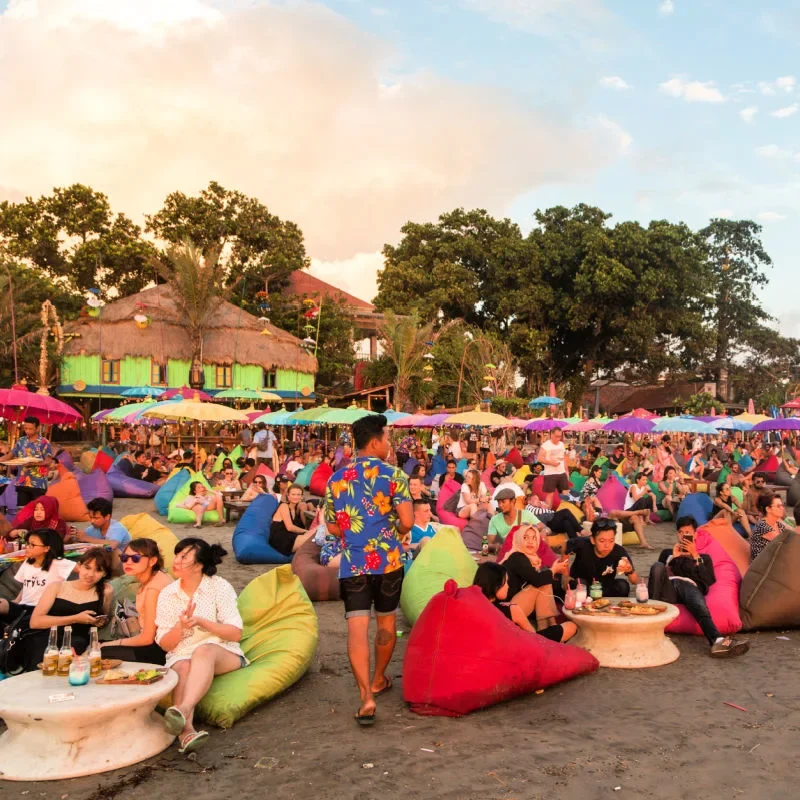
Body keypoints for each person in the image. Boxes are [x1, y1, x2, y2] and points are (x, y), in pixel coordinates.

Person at [324, 414, 412, 726]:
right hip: (388, 561)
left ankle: (366, 696)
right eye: (388, 439)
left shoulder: (336, 480)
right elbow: (408, 521)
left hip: (354, 563)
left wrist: (353, 535)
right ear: (375, 442)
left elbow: (332, 527)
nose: (390, 445)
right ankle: (378, 679)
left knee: (357, 629)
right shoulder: (394, 476)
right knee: (386, 624)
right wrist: (395, 531)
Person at [155, 539, 246, 754]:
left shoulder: (219, 586)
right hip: (181, 653)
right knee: (183, 666)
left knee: (203, 650)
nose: (176, 561)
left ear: (198, 565)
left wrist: (202, 622)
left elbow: (235, 632)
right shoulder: (167, 594)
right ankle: (186, 732)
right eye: (176, 555)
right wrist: (180, 626)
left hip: (222, 651)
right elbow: (166, 645)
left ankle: (182, 709)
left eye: (183, 557)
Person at [650, 517, 749, 658]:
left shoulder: (704, 557)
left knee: (693, 597)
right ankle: (650, 624)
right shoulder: (668, 553)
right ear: (677, 535)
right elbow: (658, 576)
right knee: (657, 566)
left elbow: (708, 580)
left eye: (688, 532)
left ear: (695, 535)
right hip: (669, 589)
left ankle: (717, 640)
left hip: (690, 588)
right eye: (681, 532)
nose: (684, 535)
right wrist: (673, 559)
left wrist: (694, 555)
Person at [23, 548, 113, 673]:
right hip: (48, 638)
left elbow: (104, 620)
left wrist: (99, 621)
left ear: (104, 574)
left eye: (98, 570)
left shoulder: (106, 591)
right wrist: (75, 618)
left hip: (78, 643)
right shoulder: (57, 587)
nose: (90, 574)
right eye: (87, 568)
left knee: (76, 646)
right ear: (79, 566)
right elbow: (35, 622)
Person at [101, 539, 173, 664]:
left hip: (159, 650)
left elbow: (147, 638)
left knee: (99, 651)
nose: (128, 562)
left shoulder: (153, 589)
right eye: (124, 558)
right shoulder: (158, 575)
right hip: (156, 643)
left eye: (135, 558)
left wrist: (109, 644)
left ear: (152, 561)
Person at [473, 562, 577, 642]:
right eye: (505, 583)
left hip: (499, 645)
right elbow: (534, 640)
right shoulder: (511, 609)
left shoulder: (472, 603)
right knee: (571, 626)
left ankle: (549, 625)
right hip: (521, 646)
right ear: (495, 586)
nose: (508, 586)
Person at [0, 529, 74, 634]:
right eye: (27, 543)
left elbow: (83, 570)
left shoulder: (59, 563)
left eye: (32, 545)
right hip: (22, 607)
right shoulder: (28, 562)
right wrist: (16, 601)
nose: (27, 547)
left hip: (40, 611)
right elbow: (26, 585)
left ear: (47, 548)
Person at [499, 525, 570, 629]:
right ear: (518, 539)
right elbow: (537, 580)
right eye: (525, 537)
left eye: (534, 538)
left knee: (544, 580)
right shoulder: (517, 557)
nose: (530, 541)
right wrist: (554, 570)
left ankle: (548, 625)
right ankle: (549, 626)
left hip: (515, 604)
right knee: (543, 581)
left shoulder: (530, 559)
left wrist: (552, 572)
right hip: (507, 610)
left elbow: (537, 579)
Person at [567, 518, 639, 597]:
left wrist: (630, 570)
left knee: (623, 586)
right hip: (583, 586)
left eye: (611, 541)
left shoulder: (619, 552)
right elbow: (565, 546)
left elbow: (634, 581)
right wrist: (565, 575)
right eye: (602, 541)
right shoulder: (582, 544)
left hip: (604, 588)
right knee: (579, 584)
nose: (607, 546)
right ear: (593, 540)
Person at [6, 416, 53, 508]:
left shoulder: (44, 442)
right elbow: (9, 455)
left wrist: (33, 464)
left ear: (38, 428)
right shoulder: (21, 441)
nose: (27, 431)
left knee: (37, 513)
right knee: (22, 513)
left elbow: (48, 461)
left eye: (30, 429)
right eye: (25, 428)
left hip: (39, 484)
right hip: (22, 482)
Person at [269, 484, 316, 555]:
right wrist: (305, 531)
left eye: (298, 495)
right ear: (288, 496)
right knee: (315, 535)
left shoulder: (295, 509)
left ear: (301, 496)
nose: (296, 497)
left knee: (317, 533)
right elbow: (290, 527)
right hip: (280, 540)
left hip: (289, 537)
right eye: (293, 494)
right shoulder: (284, 506)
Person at [750, 492, 788, 560]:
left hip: (775, 561)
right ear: (768, 509)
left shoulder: (778, 524)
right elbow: (785, 546)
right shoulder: (762, 526)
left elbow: (794, 533)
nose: (782, 508)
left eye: (782, 505)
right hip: (763, 566)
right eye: (778, 506)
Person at [537, 427, 569, 507]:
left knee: (565, 492)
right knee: (550, 494)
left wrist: (567, 471)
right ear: (551, 434)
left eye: (560, 436)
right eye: (556, 436)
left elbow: (564, 458)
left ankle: (564, 509)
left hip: (561, 472)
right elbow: (539, 458)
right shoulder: (546, 445)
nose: (558, 438)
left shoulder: (561, 444)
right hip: (550, 473)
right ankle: (548, 512)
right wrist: (551, 463)